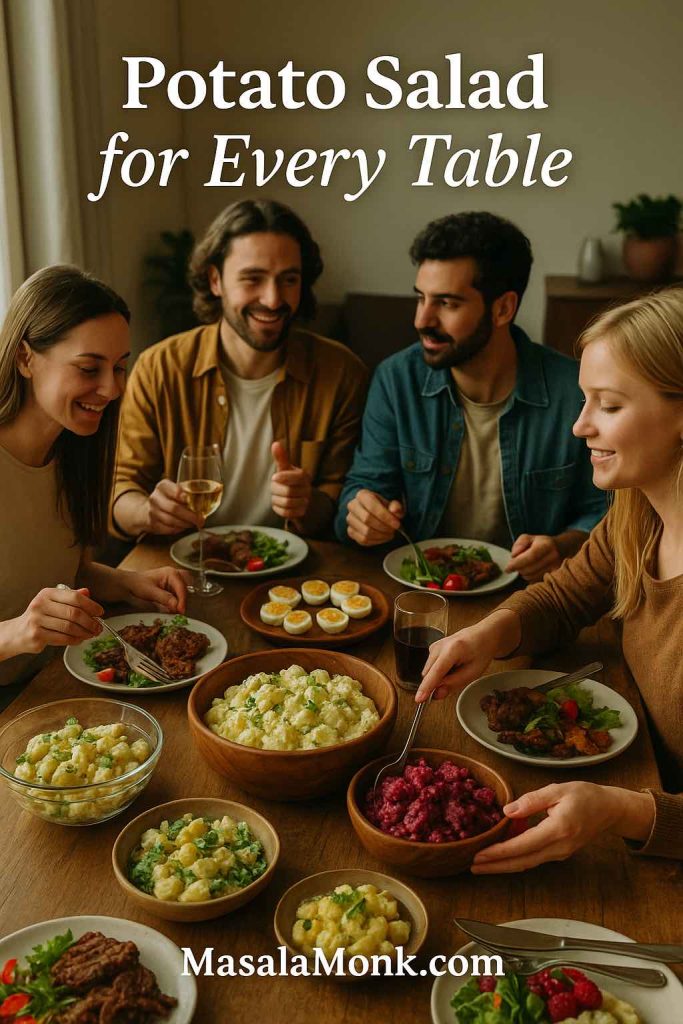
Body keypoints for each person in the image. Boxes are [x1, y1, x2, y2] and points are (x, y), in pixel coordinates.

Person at [417, 288, 683, 864]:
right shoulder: (637, 512)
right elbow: (564, 598)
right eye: (585, 401)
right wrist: (489, 632)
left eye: (609, 406)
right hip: (627, 777)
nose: (580, 426)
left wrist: (623, 811)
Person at [335, 212, 606, 581]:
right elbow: (363, 488)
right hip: (417, 589)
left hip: (529, 597)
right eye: (421, 298)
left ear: (503, 308)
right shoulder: (395, 380)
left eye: (446, 303)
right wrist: (362, 514)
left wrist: (562, 546)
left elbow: (606, 513)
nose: (422, 320)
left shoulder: (573, 391)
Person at [112, 200, 369, 540]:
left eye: (288, 279)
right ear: (215, 280)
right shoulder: (159, 368)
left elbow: (343, 492)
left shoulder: (342, 374)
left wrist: (310, 503)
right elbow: (120, 487)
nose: (273, 299)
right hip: (181, 568)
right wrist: (146, 512)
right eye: (253, 279)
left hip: (294, 574)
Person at [0, 266, 188, 690]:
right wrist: (16, 632)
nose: (112, 389)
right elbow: (27, 615)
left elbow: (65, 574)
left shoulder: (75, 449)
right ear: (25, 358)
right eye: (89, 369)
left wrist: (128, 583)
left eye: (120, 367)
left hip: (55, 680)